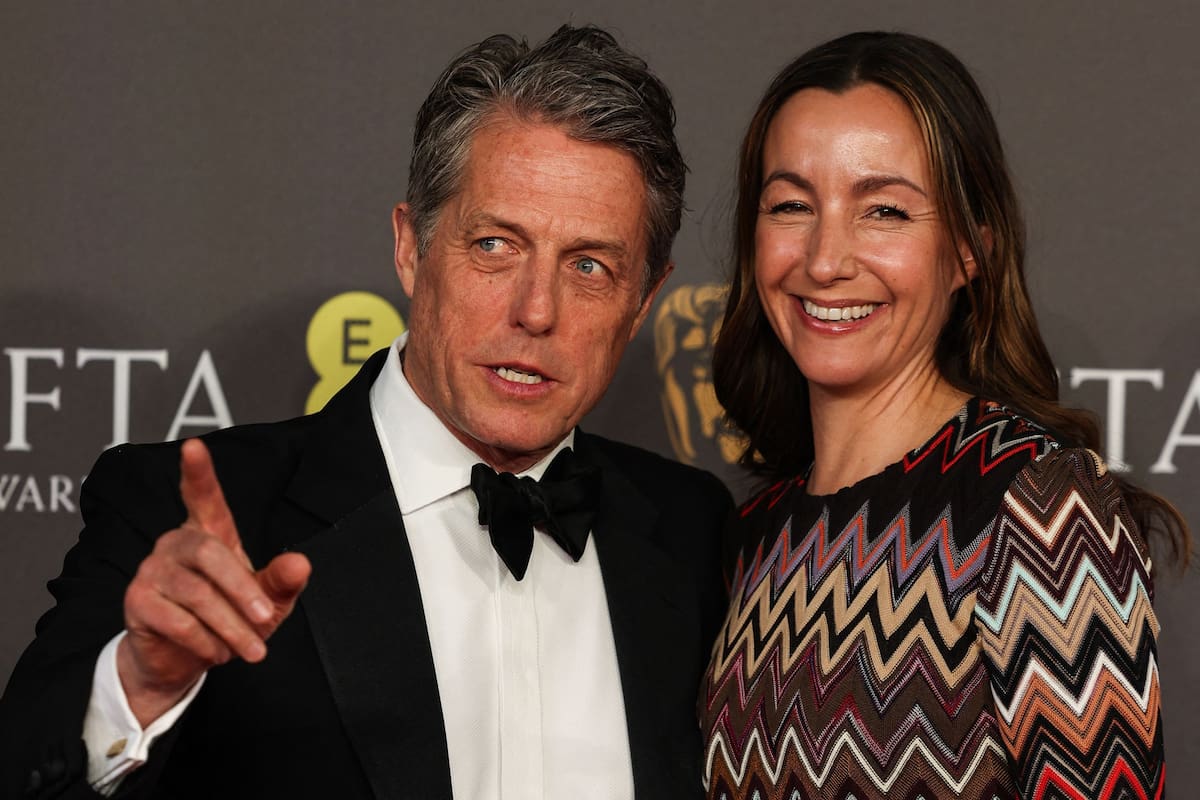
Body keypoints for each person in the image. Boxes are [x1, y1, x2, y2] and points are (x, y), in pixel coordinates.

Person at [0, 25, 732, 799]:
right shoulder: (187, 513)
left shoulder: (690, 533)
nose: (536, 310)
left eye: (589, 266)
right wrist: (139, 685)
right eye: (494, 245)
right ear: (412, 247)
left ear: (644, 300)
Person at [700, 31, 1186, 800]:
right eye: (791, 204)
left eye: (884, 210)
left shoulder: (1041, 508)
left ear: (968, 251)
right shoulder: (754, 536)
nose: (826, 259)